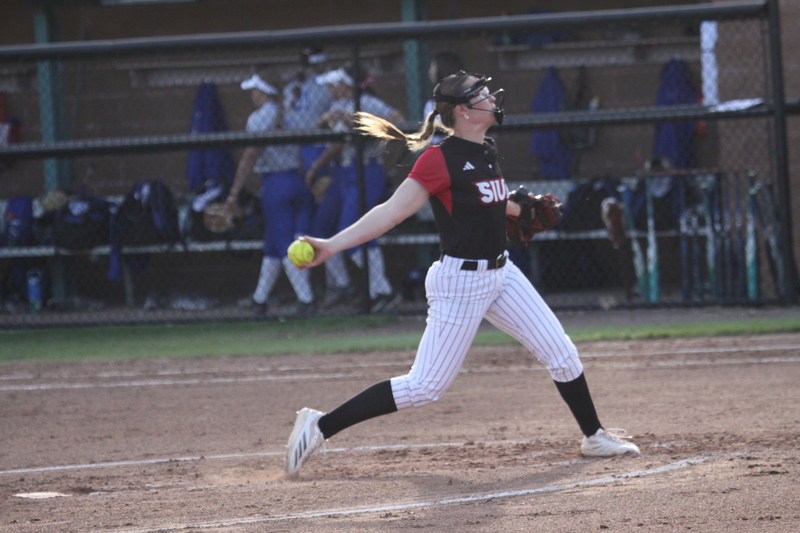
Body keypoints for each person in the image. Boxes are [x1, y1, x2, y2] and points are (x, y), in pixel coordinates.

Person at [283, 70, 640, 477]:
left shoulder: (485, 149)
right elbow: (390, 212)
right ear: (463, 110)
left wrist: (519, 208)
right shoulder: (437, 158)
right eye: (482, 94)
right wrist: (331, 246)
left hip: (501, 273)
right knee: (424, 387)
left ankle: (594, 437)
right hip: (460, 283)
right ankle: (319, 426)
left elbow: (485, 198)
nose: (492, 98)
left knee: (562, 354)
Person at [305, 66, 406, 312]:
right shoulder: (338, 106)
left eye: (334, 85)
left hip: (365, 171)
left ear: (345, 85)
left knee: (353, 235)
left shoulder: (366, 101)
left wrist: (356, 121)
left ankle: (383, 291)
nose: (330, 90)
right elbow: (334, 139)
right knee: (321, 229)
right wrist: (327, 121)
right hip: (342, 174)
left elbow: (399, 121)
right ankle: (342, 285)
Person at [224, 73, 316, 316]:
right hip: (298, 181)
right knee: (274, 245)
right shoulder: (294, 114)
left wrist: (234, 192)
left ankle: (307, 300)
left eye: (255, 90)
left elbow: (250, 155)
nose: (253, 95)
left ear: (263, 92)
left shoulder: (259, 118)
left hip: (276, 184)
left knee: (285, 244)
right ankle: (259, 299)